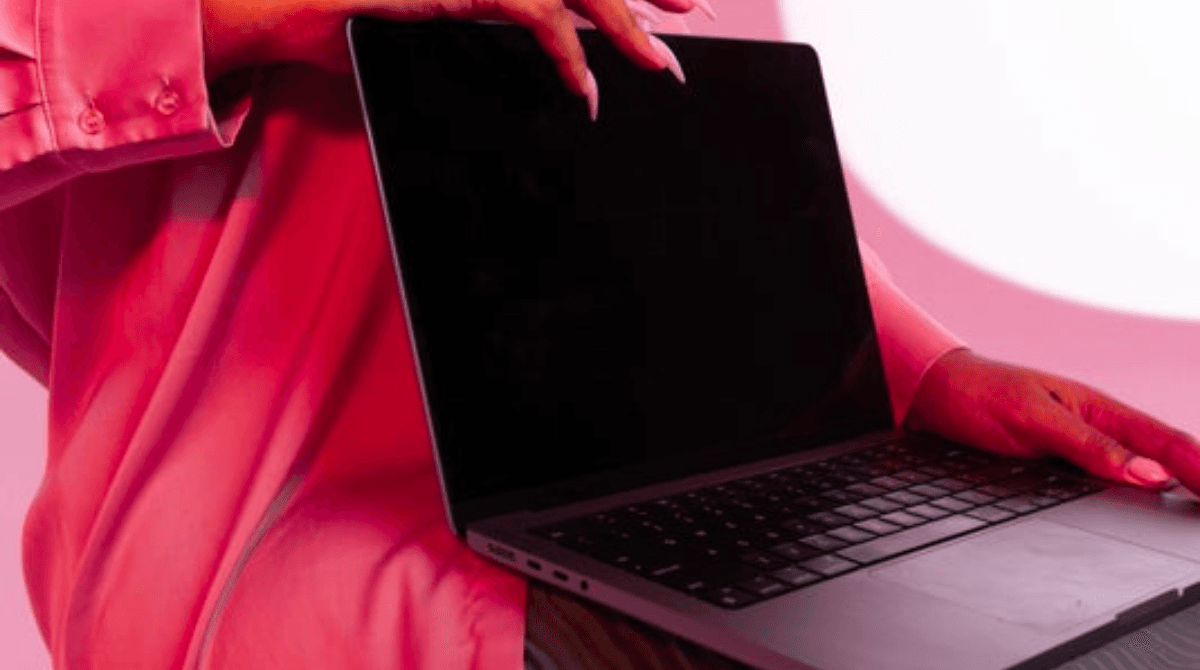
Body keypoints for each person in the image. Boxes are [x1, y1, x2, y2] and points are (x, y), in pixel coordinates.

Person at [1, 0, 1197, 668]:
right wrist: (244, 16)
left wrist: (916, 366)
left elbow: (640, 119)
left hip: (671, 512)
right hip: (297, 585)